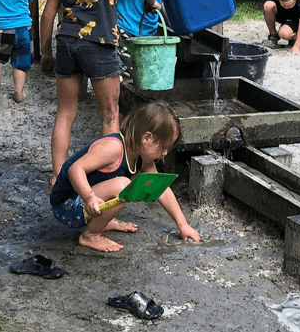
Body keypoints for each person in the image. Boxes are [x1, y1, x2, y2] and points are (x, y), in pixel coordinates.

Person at [40, 0, 159, 184]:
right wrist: (152, 3)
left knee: (66, 113)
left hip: (68, 42)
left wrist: (46, 52)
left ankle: (58, 177)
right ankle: (108, 180)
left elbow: (47, 14)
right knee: (109, 116)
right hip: (100, 44)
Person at [50, 101, 200, 252]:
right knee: (123, 187)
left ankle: (102, 221)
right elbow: (75, 169)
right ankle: (91, 235)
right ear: (146, 138)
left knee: (124, 186)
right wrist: (89, 197)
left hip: (87, 203)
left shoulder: (142, 154)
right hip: (67, 206)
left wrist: (183, 224)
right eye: (164, 147)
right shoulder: (113, 148)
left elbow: (160, 189)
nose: (165, 153)